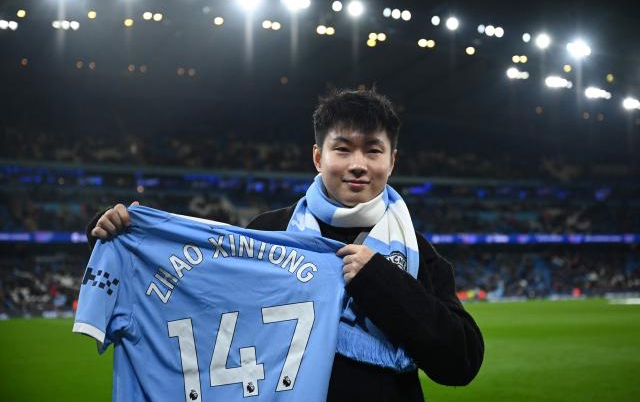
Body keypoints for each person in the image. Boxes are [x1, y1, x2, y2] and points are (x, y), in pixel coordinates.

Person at [87, 88, 484, 401]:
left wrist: (382, 280)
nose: (358, 164)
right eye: (342, 148)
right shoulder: (270, 232)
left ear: (392, 161)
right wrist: (130, 237)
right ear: (318, 157)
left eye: (373, 150)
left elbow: (461, 362)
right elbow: (200, 297)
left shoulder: (417, 253)